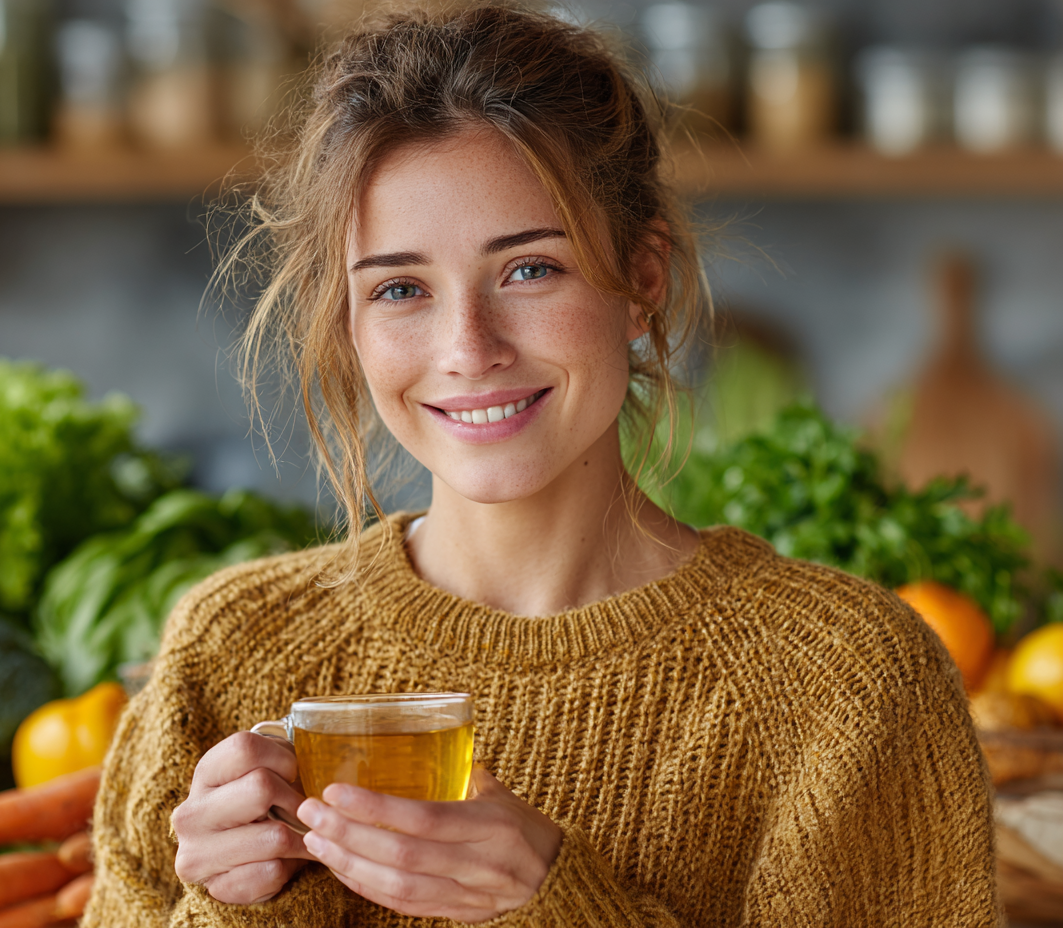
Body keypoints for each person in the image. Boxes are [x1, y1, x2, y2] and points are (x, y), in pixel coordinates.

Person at [82, 5, 999, 927]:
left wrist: (554, 901)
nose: (467, 348)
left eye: (529, 271)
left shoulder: (847, 684)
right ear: (347, 323)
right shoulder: (226, 651)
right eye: (401, 289)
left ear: (643, 281)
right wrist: (235, 909)